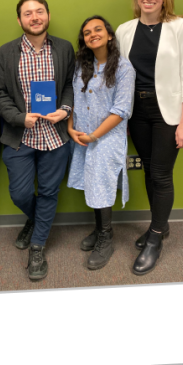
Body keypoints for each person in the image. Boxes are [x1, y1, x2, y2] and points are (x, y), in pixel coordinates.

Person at [116, 0, 183, 275]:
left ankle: (155, 238)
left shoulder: (180, 27)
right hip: (136, 110)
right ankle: (160, 225)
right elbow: (120, 75)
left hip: (167, 111)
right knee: (149, 171)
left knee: (161, 174)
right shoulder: (125, 30)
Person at [0, 0, 74, 281]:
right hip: (21, 136)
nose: (35, 17)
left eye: (39, 11)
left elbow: (68, 85)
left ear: (48, 15)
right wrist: (19, 118)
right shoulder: (6, 52)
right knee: (20, 193)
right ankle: (36, 219)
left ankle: (37, 246)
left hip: (55, 136)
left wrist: (64, 110)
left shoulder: (64, 49)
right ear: (19, 19)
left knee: (50, 192)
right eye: (28, 13)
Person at [67, 16, 135, 270]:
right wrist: (70, 127)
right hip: (83, 136)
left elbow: (121, 110)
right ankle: (99, 229)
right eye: (87, 32)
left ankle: (106, 237)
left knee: (101, 184)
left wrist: (95, 135)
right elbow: (74, 97)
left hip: (106, 138)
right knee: (92, 183)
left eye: (98, 29)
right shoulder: (81, 66)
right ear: (84, 40)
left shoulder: (124, 69)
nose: (92, 34)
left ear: (109, 35)